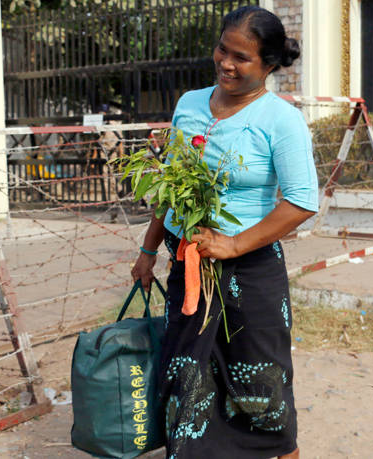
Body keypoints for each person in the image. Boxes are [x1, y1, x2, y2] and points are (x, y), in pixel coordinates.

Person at [131, 6, 317, 459]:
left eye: (241, 57)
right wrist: (148, 248)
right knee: (186, 377)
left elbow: (300, 202)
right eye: (222, 49)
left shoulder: (282, 120)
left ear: (269, 64)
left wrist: (231, 243)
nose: (226, 62)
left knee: (261, 381)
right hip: (189, 269)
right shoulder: (189, 105)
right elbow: (171, 186)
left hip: (250, 272)